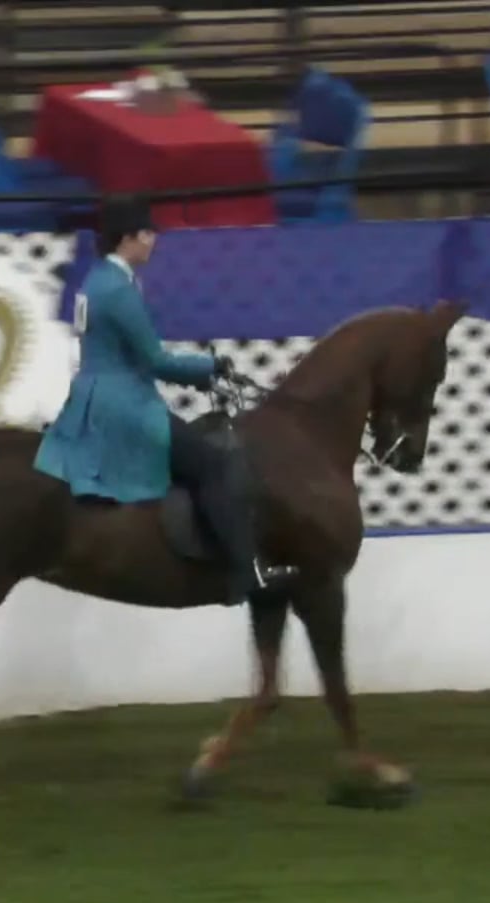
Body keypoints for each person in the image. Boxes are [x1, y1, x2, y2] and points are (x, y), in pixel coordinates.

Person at [33, 196, 297, 605]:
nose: (154, 240)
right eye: (148, 232)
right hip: (124, 407)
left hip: (94, 399)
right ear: (128, 238)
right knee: (214, 464)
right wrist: (209, 368)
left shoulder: (98, 279)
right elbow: (156, 360)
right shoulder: (118, 290)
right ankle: (247, 572)